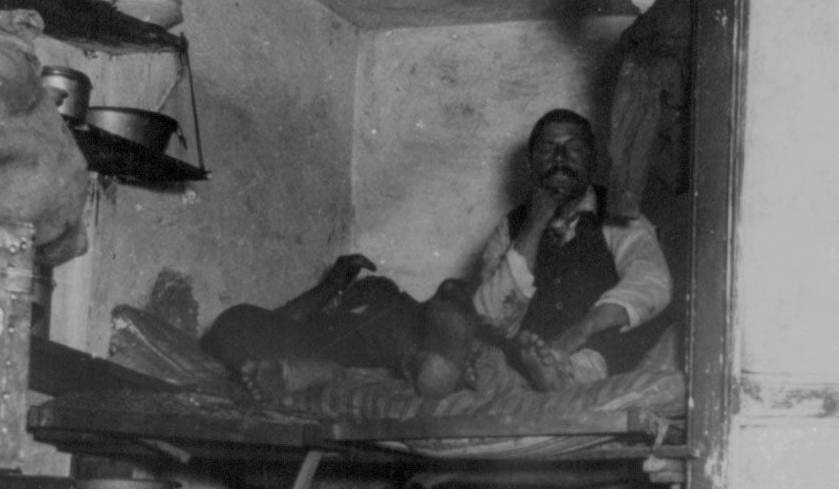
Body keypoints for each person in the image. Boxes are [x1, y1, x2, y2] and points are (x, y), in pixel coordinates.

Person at [470, 108, 675, 391]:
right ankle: (538, 373)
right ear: (530, 165)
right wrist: (535, 224)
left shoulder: (618, 214)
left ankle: (570, 374)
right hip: (536, 349)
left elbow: (651, 280)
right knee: (483, 325)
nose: (559, 160)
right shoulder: (511, 226)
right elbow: (493, 315)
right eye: (547, 150)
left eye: (573, 150)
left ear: (592, 163)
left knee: (637, 316)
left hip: (597, 349)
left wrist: (582, 330)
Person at [200, 254, 479, 399]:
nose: (366, 286)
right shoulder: (329, 310)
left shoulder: (401, 304)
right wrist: (333, 284)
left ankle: (443, 364)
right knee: (232, 320)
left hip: (411, 336)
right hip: (328, 350)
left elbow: (426, 309)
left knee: (447, 298)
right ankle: (298, 374)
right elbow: (286, 320)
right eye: (359, 287)